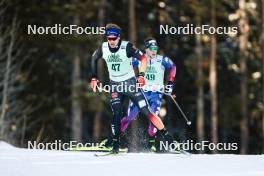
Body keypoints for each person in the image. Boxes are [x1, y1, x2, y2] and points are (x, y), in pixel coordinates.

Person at [90, 23, 172, 153]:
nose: (111, 41)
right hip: (115, 85)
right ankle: (114, 145)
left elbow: (144, 59)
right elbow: (94, 58)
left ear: (118, 37)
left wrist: (141, 76)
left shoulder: (126, 46)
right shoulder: (103, 48)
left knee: (146, 111)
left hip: (130, 84)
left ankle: (168, 138)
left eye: (114, 38)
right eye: (108, 38)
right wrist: (94, 78)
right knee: (117, 113)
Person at [120, 37, 176, 151]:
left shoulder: (162, 60)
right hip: (140, 93)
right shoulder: (140, 59)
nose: (154, 51)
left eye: (155, 48)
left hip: (156, 94)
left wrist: (170, 83)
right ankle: (113, 139)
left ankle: (151, 145)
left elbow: (173, 67)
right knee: (130, 117)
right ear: (146, 49)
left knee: (153, 121)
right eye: (151, 48)